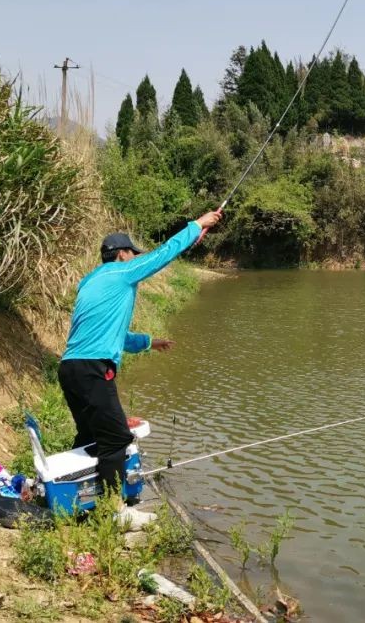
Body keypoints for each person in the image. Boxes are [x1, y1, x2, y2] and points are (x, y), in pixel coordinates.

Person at [58, 209, 222, 529]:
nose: (135, 258)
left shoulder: (90, 282)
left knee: (91, 437)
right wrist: (197, 225)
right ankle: (114, 511)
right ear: (122, 254)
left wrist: (149, 342)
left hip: (71, 369)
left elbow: (115, 336)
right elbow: (163, 255)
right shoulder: (122, 273)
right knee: (116, 438)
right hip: (94, 369)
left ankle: (77, 497)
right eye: (132, 253)